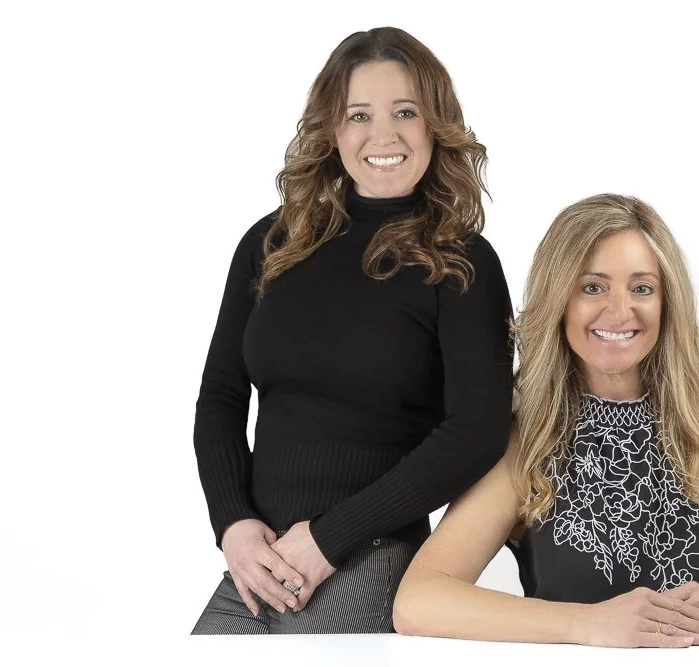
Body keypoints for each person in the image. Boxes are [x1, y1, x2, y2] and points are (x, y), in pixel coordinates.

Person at [392, 194, 699, 647]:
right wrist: (584, 623)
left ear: (667, 302)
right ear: (559, 299)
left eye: (642, 288)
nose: (620, 312)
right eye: (592, 287)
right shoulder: (527, 442)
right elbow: (419, 599)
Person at [190, 27, 514, 634]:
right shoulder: (270, 243)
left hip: (372, 555)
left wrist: (330, 537)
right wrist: (232, 524)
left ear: (435, 125)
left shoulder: (460, 261)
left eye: (405, 112)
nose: (382, 135)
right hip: (262, 561)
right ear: (332, 129)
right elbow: (221, 399)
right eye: (359, 114)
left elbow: (478, 430)